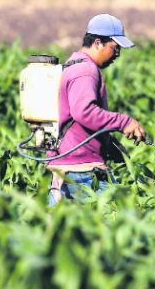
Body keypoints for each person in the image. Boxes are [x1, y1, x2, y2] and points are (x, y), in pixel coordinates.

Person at [47, 13, 147, 206]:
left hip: (67, 169)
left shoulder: (72, 64)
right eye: (115, 49)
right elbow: (83, 112)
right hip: (81, 172)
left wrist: (107, 144)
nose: (117, 56)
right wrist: (124, 122)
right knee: (119, 221)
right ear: (98, 43)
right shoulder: (86, 71)